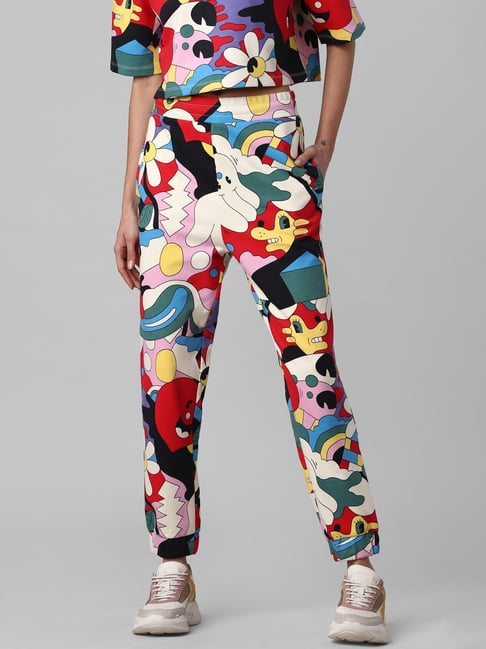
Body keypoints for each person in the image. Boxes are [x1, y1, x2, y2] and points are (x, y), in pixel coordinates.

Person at [110, 0, 388, 643]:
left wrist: (324, 148)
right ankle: (171, 564)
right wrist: (127, 200)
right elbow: (144, 79)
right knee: (168, 371)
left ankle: (361, 569)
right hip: (172, 172)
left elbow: (341, 31)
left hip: (271, 154)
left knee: (310, 366)